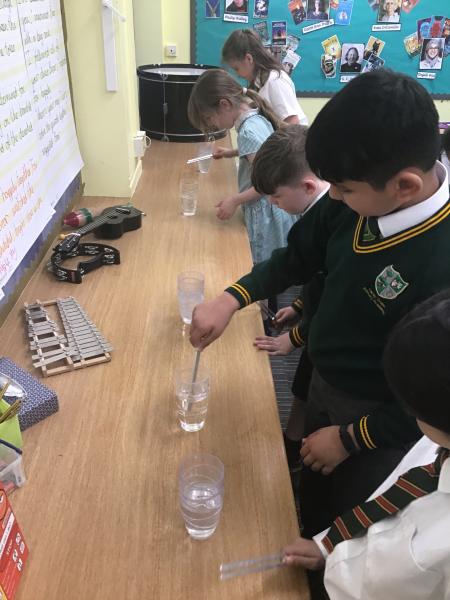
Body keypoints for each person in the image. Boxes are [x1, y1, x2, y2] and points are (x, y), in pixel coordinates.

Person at [189, 69, 450, 544]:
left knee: (350, 521)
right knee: (310, 498)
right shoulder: (356, 197)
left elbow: (435, 398)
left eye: (344, 190)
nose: (334, 198)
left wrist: (351, 438)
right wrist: (232, 297)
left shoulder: (440, 261)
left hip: (379, 422)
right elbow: (298, 257)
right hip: (326, 378)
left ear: (405, 186)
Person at [282, 290, 450, 600]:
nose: (410, 415)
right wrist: (328, 546)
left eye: (411, 407)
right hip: (339, 568)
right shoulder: (436, 447)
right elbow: (390, 504)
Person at [249, 125, 328, 471]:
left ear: (308, 186)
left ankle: (302, 454)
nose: (272, 203)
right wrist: (298, 305)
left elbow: (333, 297)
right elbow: (318, 277)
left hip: (328, 334)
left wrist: (293, 339)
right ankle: (292, 444)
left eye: (277, 197)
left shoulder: (328, 220)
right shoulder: (314, 214)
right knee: (301, 384)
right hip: (316, 321)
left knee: (313, 390)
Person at [221, 29, 308, 125]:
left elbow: (292, 122)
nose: (237, 74)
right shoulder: (259, 82)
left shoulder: (274, 80)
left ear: (249, 59)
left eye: (237, 68)